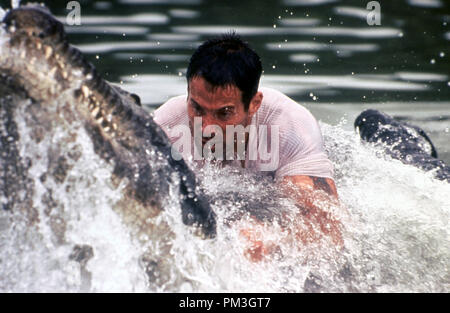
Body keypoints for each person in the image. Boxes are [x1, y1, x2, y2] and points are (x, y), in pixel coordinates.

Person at [153, 33, 343, 261]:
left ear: (254, 104)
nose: (206, 129)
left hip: (278, 191)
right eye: (197, 109)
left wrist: (273, 239)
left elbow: (329, 234)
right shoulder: (165, 126)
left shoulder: (289, 125)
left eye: (224, 113)